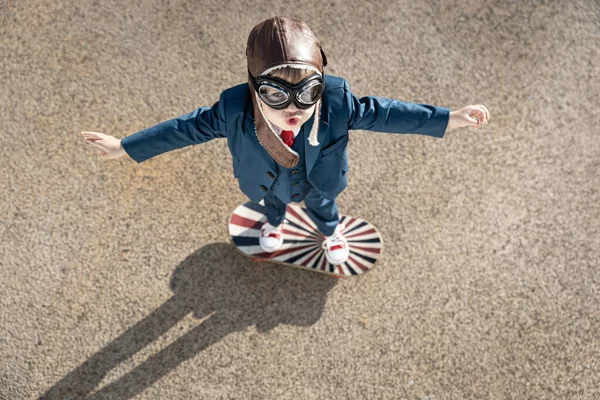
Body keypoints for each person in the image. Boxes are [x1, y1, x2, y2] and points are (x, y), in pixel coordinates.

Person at [81, 16, 490, 266]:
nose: (294, 107)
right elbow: (183, 129)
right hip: (264, 181)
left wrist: (447, 119)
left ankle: (329, 232)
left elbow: (387, 113)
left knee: (324, 206)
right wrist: (126, 146)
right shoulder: (233, 110)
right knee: (272, 204)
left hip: (320, 180)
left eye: (308, 91)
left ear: (321, 84)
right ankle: (275, 225)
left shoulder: (337, 103)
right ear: (254, 87)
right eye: (276, 95)